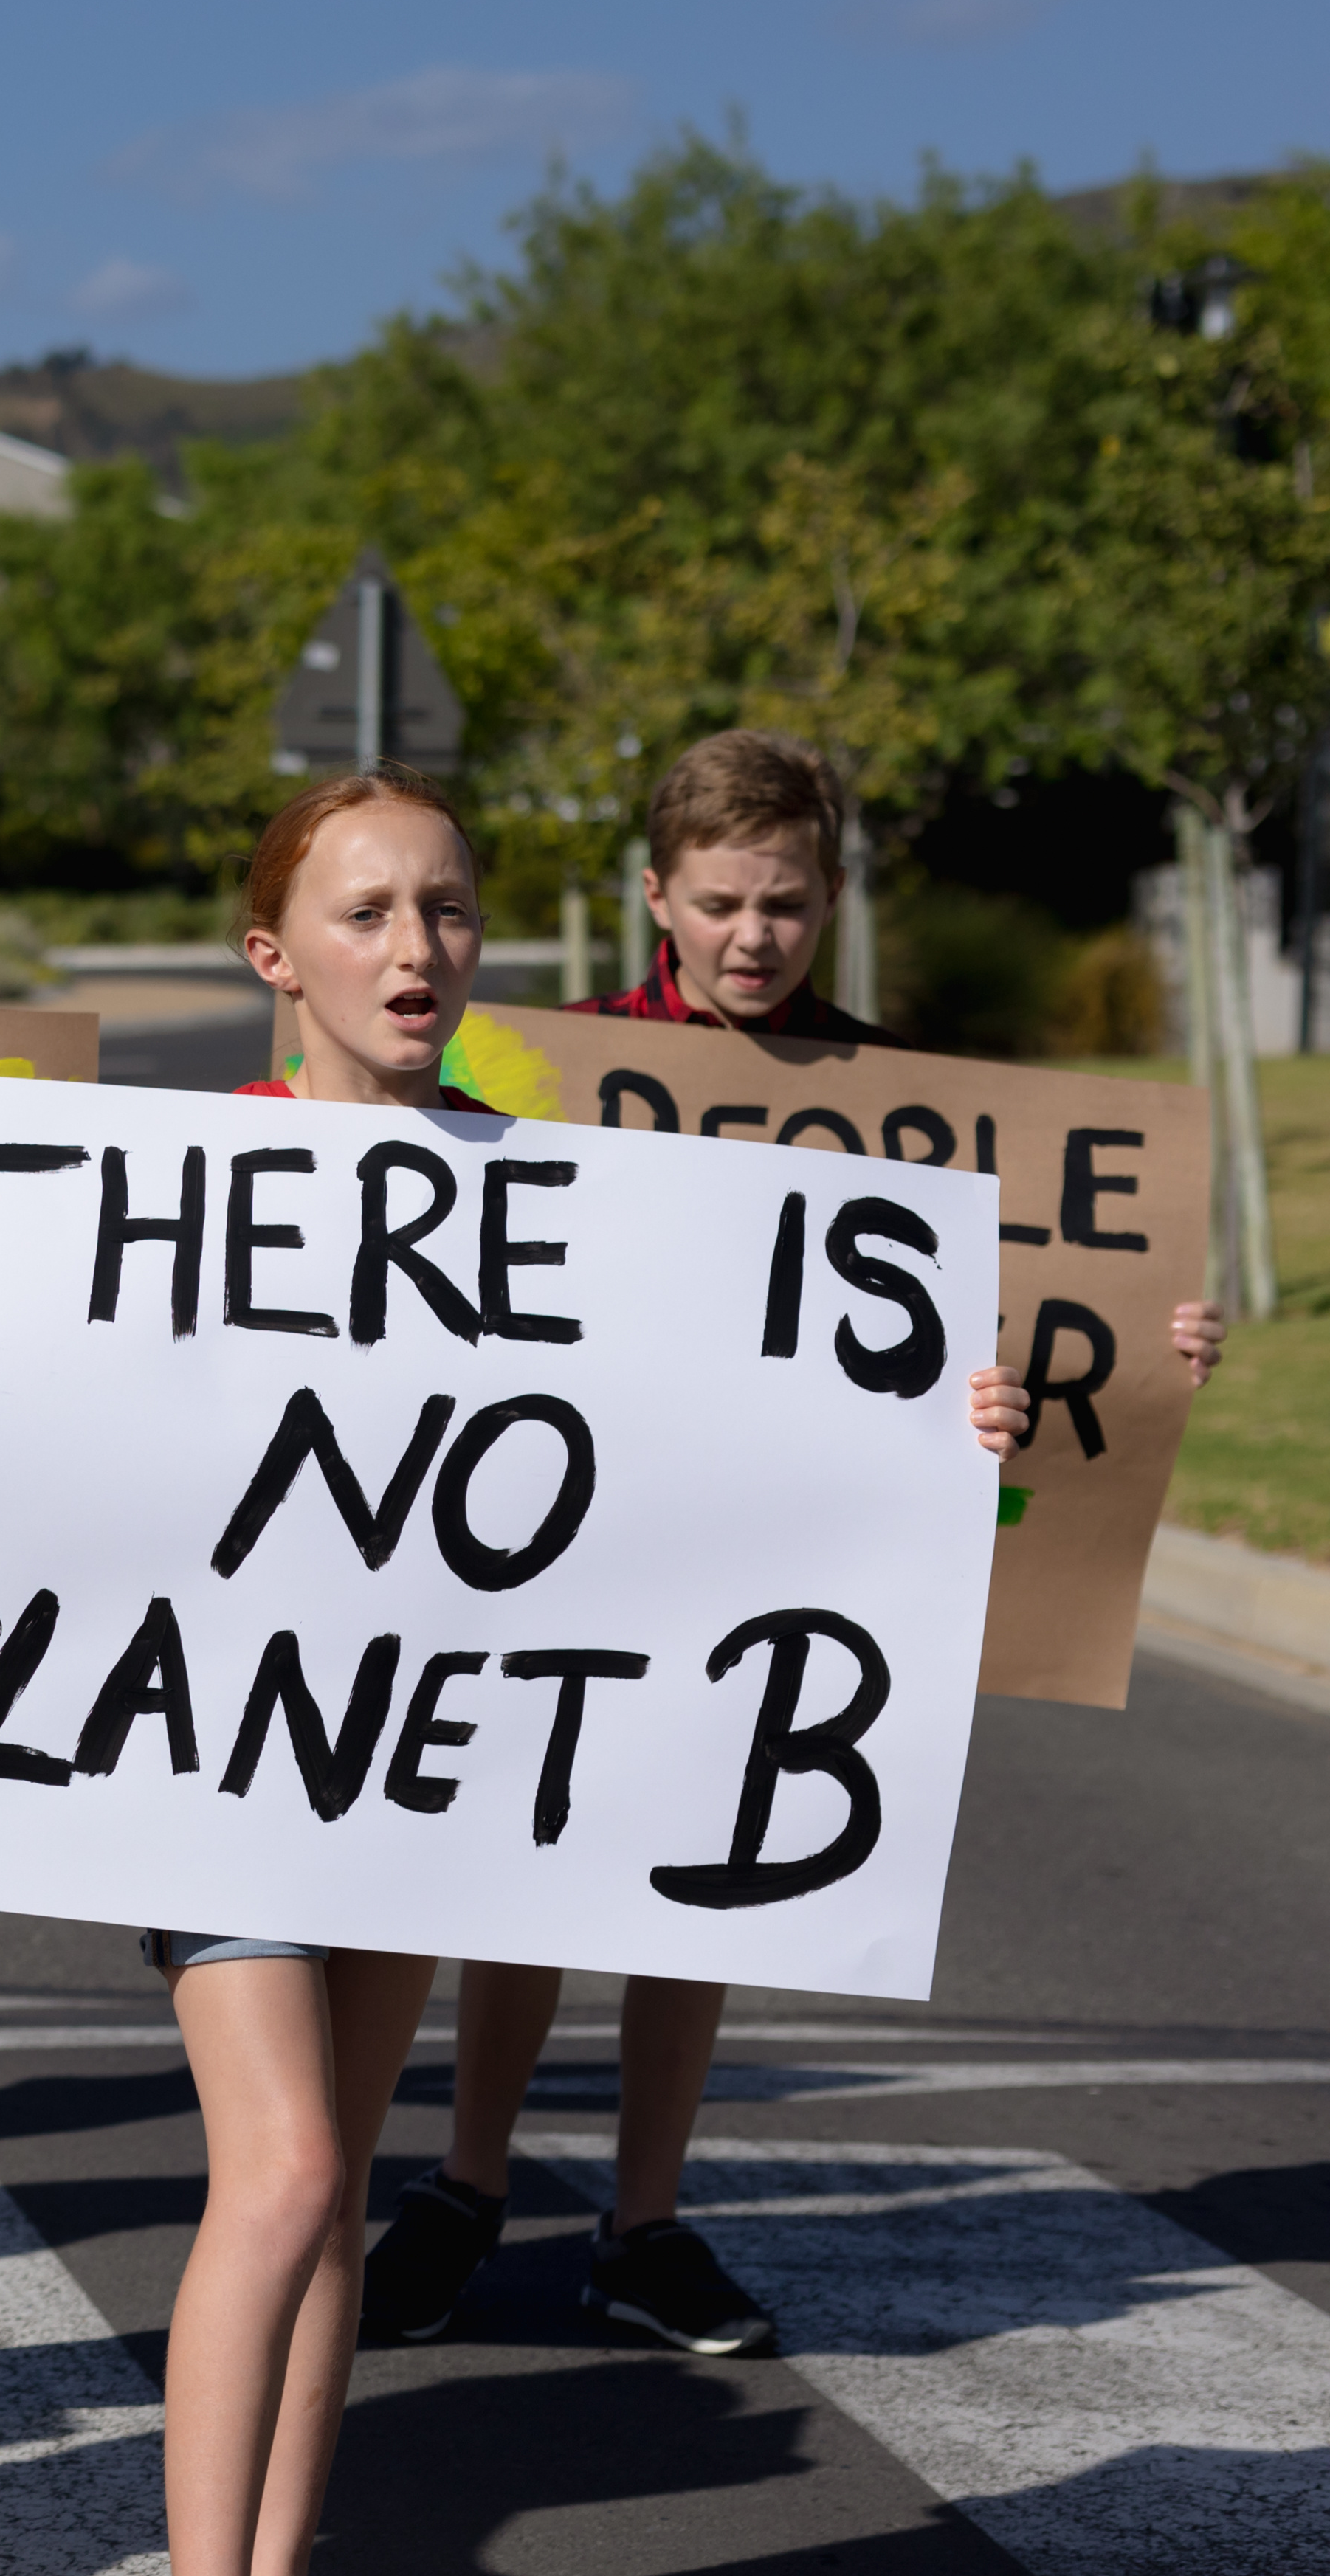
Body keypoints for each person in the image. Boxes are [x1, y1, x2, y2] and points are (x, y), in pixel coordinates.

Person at [0, 763, 1031, 2575]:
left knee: (336, 2185)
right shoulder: (158, 1175)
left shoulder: (580, 1197)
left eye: (445, 907)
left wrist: (940, 1414)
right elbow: (7, 1415)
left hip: (408, 1764)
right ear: (271, 952)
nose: (415, 946)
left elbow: (717, 1439)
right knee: (284, 2171)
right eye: (365, 913)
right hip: (215, 1756)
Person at [359, 728, 1224, 2358]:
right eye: (720, 902)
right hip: (564, 1528)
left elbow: (1016, 1322)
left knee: (701, 1881)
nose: (754, 935)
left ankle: (646, 2222)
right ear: (654, 900)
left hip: (764, 1561)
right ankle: (465, 2190)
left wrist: (1137, 1336)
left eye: (785, 902)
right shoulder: (544, 1066)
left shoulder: (898, 1098)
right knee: (527, 1870)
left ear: (828, 896)